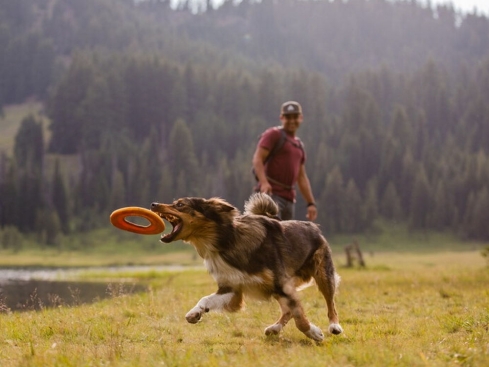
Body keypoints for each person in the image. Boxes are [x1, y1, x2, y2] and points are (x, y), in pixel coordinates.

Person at [252, 101, 317, 221]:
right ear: (281, 118)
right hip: (270, 196)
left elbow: (301, 177)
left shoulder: (299, 145)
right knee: (271, 236)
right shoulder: (273, 134)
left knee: (285, 238)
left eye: (295, 117)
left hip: (289, 201)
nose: (292, 121)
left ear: (301, 118)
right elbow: (257, 159)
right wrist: (264, 183)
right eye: (288, 117)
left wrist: (310, 203)